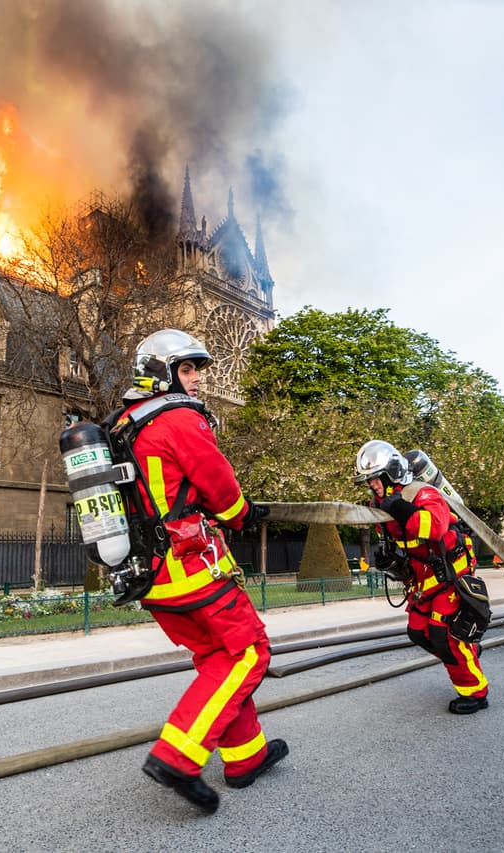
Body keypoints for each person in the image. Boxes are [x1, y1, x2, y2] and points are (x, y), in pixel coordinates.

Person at [108, 329, 286, 815]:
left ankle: (245, 757)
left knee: (216, 657)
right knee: (250, 652)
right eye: (187, 370)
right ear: (162, 375)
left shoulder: (123, 423)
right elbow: (217, 483)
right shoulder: (176, 417)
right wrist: (241, 513)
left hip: (151, 575)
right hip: (192, 566)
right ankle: (178, 756)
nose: (197, 381)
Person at [356, 439, 489, 714]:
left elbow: (436, 528)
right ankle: (466, 655)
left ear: (391, 472)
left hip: (450, 572)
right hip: (422, 579)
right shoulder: (381, 506)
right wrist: (390, 562)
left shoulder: (421, 493)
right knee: (417, 632)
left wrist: (401, 509)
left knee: (444, 634)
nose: (373, 486)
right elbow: (399, 546)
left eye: (376, 479)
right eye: (369, 481)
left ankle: (475, 692)